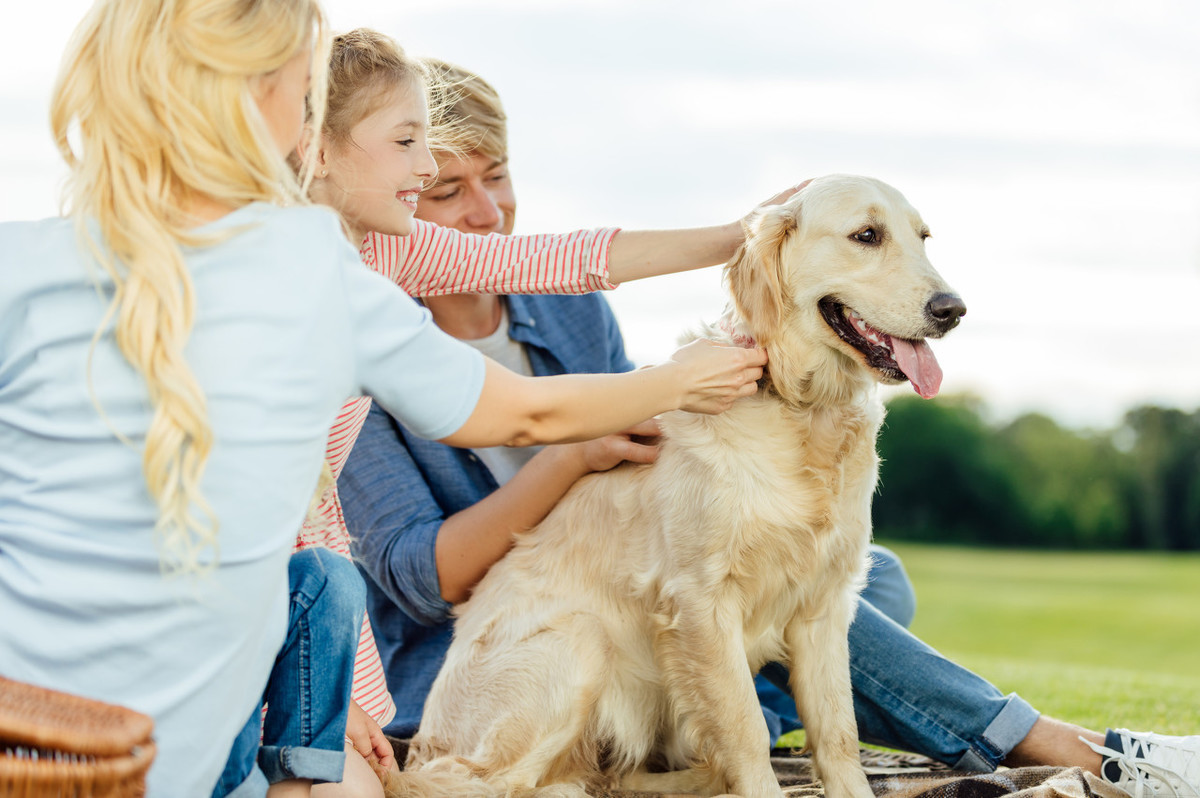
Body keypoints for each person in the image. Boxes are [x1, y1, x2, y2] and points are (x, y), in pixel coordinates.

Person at [338, 57, 1200, 798]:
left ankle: (719, 730)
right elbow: (421, 579)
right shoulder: (364, 339)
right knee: (762, 601)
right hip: (481, 652)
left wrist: (749, 239)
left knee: (861, 582)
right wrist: (577, 454)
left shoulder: (564, 311)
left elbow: (585, 275)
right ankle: (1039, 739)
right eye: (446, 187)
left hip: (631, 608)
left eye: (499, 176)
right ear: (394, 184)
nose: (487, 211)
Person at [0, 4, 801, 796]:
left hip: (266, 607)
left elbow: (562, 259)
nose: (425, 166)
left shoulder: (32, 264)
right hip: (240, 623)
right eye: (407, 141)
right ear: (286, 118)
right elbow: (518, 413)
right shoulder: (316, 268)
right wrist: (676, 382)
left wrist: (739, 233)